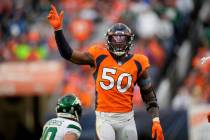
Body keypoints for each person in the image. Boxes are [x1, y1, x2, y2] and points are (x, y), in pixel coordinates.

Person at [48, 4, 164, 140]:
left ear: (129, 40)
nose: (119, 43)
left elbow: (149, 95)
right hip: (105, 118)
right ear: (108, 40)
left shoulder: (139, 62)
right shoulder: (98, 55)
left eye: (122, 39)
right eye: (115, 39)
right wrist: (58, 30)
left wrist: (156, 119)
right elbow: (68, 54)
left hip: (127, 118)